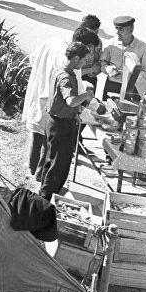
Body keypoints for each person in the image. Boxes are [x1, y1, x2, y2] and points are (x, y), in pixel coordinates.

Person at [23, 29, 100, 180]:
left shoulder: (54, 41)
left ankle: (33, 171)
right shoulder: (70, 66)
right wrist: (91, 101)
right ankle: (38, 175)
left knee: (37, 134)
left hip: (41, 90)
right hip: (55, 100)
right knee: (48, 142)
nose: (87, 59)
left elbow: (32, 58)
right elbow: (76, 93)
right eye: (87, 52)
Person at [40, 41, 99, 200]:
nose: (84, 64)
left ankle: (45, 193)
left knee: (51, 160)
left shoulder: (59, 70)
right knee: (59, 164)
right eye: (83, 60)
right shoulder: (66, 77)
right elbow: (71, 101)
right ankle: (46, 198)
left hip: (56, 121)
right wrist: (86, 95)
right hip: (61, 125)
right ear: (75, 59)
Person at [101, 15, 146, 102]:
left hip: (133, 88)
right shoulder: (110, 44)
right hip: (112, 85)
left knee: (130, 113)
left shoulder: (143, 48)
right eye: (116, 29)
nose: (117, 32)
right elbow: (102, 63)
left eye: (121, 29)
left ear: (130, 29)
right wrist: (107, 68)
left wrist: (130, 77)